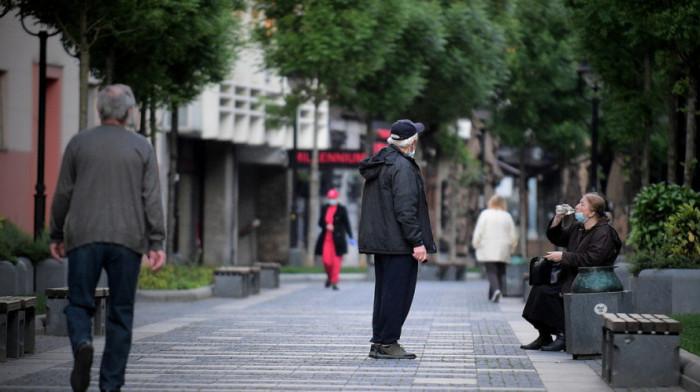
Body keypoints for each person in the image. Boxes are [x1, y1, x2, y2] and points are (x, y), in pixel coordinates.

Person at [49, 84, 166, 392]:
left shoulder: (79, 143)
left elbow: (63, 192)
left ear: (99, 111)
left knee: (79, 304)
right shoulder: (142, 147)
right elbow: (152, 198)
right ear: (129, 113)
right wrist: (156, 242)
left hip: (84, 236)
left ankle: (82, 344)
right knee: (121, 312)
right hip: (128, 240)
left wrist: (56, 232)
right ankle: (110, 384)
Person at [358, 119, 437, 360]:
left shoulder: (383, 160)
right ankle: (387, 343)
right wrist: (417, 242)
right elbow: (405, 209)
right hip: (398, 243)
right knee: (397, 295)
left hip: (384, 242)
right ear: (411, 141)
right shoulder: (402, 167)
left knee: (385, 294)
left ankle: (381, 341)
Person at [521, 192, 621, 352]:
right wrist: (558, 219)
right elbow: (558, 238)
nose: (577, 207)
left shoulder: (603, 232)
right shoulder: (578, 226)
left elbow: (593, 259)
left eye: (582, 204)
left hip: (590, 279)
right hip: (572, 276)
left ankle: (563, 335)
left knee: (549, 294)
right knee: (538, 290)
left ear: (592, 212)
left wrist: (563, 256)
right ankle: (544, 334)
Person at [471, 194, 518, 303]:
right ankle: (493, 294)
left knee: (491, 271)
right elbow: (513, 235)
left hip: (488, 247)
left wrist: (476, 243)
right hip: (503, 248)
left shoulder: (485, 214)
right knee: (500, 271)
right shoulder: (507, 216)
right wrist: (512, 248)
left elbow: (479, 231)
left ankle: (496, 290)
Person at [314, 188, 354, 290]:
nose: (332, 200)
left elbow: (346, 224)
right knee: (327, 261)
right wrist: (326, 225)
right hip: (326, 238)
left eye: (333, 198)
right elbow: (320, 222)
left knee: (336, 262)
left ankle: (334, 281)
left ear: (337, 198)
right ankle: (329, 276)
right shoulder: (325, 208)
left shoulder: (342, 209)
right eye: (330, 198)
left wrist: (350, 237)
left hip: (338, 239)